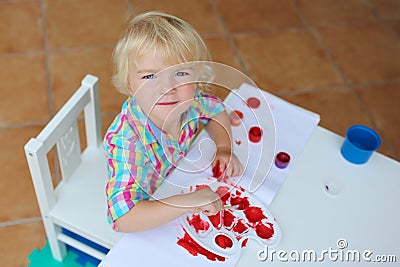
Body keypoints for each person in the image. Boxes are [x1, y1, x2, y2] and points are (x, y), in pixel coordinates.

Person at [103, 11, 243, 233]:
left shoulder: (191, 103)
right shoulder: (127, 142)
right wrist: (187, 201)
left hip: (176, 176)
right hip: (149, 204)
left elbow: (216, 110)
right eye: (149, 76)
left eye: (180, 73)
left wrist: (224, 148)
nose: (167, 88)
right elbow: (122, 219)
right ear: (129, 86)